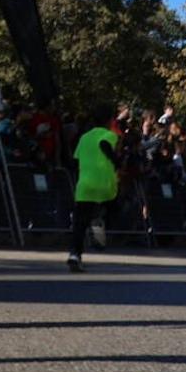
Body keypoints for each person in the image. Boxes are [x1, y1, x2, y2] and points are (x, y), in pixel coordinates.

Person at [67, 104, 119, 271]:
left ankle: (75, 254)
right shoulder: (109, 135)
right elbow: (104, 144)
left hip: (85, 185)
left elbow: (75, 161)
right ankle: (98, 223)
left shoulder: (84, 138)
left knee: (79, 222)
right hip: (105, 185)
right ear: (110, 120)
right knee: (113, 207)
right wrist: (115, 161)